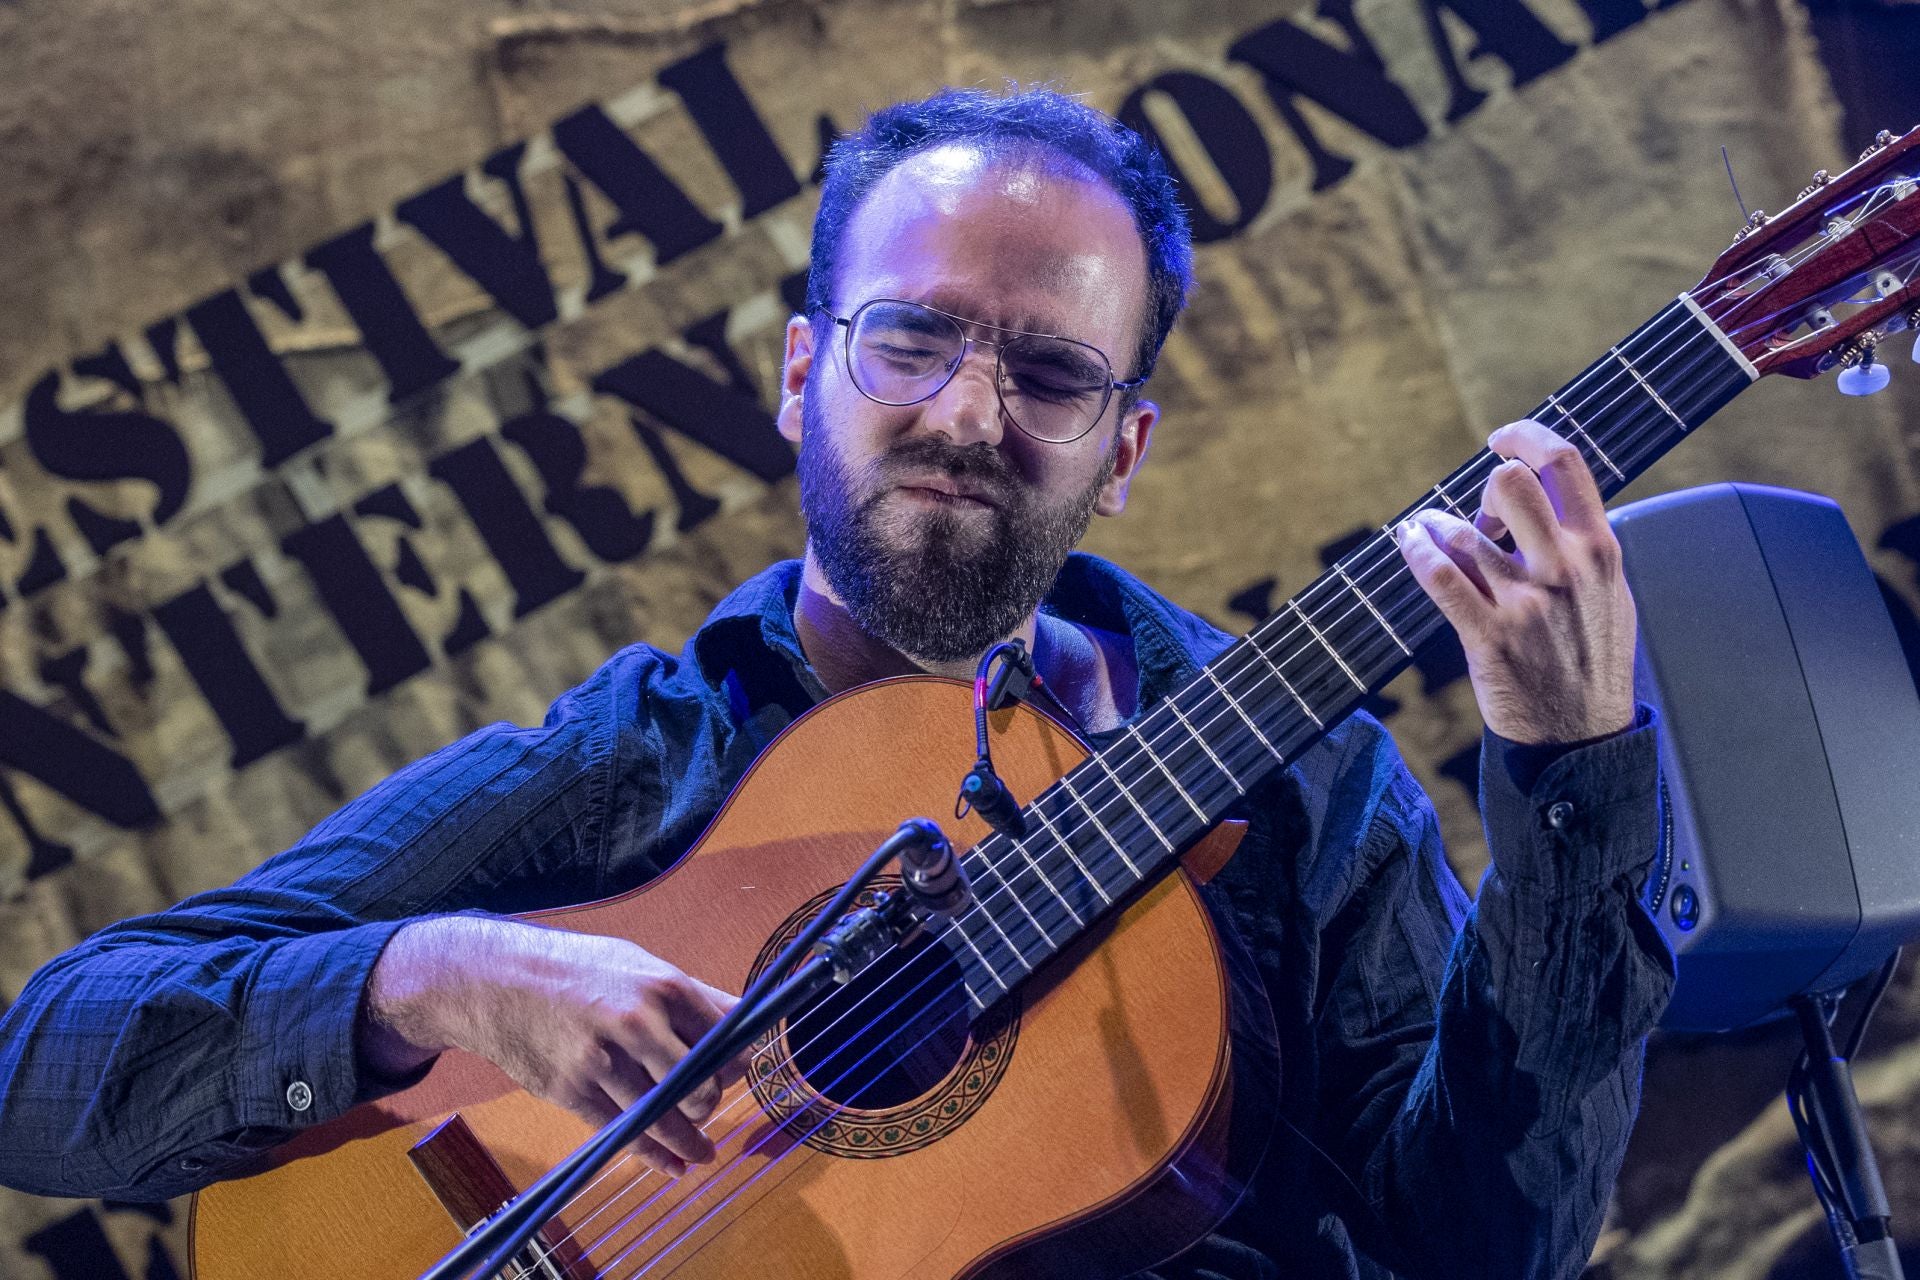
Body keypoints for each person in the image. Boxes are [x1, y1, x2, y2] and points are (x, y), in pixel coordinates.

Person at [0, 88, 1671, 1279]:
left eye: (1052, 370)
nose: (965, 410)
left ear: (1127, 444)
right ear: (802, 375)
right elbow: (43, 1073)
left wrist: (1575, 778)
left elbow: (1496, 1243)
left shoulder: (1303, 777)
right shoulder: (644, 762)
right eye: (912, 339)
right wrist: (433, 976)